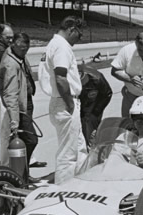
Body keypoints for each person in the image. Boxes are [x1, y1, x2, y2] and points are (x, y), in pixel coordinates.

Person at [42, 16, 87, 185]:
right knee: (67, 155)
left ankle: (83, 182)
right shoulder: (61, 46)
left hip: (62, 101)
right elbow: (60, 77)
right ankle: (63, 191)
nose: (79, 39)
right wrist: (70, 103)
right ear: (71, 29)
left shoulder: (54, 44)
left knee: (80, 149)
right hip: (65, 102)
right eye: (79, 35)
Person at [0, 33, 40, 183]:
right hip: (20, 107)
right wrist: (15, 121)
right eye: (21, 48)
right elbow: (10, 94)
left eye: (26, 49)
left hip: (26, 101)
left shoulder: (19, 56)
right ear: (13, 44)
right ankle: (19, 176)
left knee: (25, 141)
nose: (24, 51)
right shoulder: (11, 64)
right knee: (31, 140)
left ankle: (22, 176)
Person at [78, 65, 113, 147]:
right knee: (78, 135)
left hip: (93, 106)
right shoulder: (68, 78)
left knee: (91, 133)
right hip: (78, 106)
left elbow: (107, 94)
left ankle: (94, 150)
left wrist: (96, 112)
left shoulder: (97, 78)